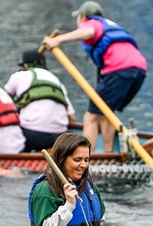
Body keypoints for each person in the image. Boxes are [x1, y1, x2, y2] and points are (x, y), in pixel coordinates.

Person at [42, 1, 146, 152]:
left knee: (90, 117)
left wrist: (57, 40)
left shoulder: (91, 23)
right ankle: (109, 155)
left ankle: (87, 160)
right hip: (138, 70)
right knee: (107, 113)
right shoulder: (110, 25)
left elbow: (88, 32)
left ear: (83, 17)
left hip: (120, 70)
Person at [4, 50, 76, 152]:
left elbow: (4, 99)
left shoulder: (19, 75)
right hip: (59, 136)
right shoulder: (57, 81)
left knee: (8, 131)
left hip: (32, 134)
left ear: (25, 65)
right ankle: (48, 153)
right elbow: (72, 118)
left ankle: (18, 159)